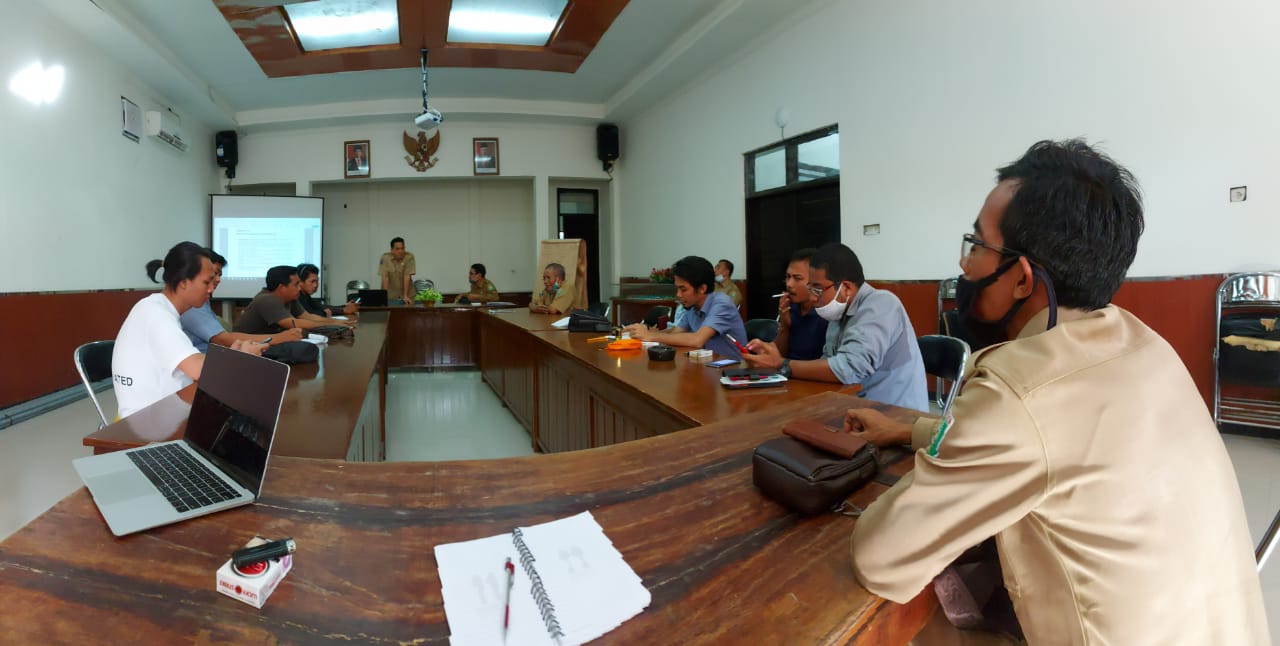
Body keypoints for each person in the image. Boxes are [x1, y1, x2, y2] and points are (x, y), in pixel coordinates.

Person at [844, 140, 1268, 644]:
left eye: (976, 245)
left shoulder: (1021, 388)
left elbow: (881, 557)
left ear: (1022, 280)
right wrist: (907, 430)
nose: (965, 266)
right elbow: (1053, 442)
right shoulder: (1143, 343)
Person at [742, 243, 928, 411]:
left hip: (897, 416)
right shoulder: (838, 313)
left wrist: (782, 364)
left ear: (846, 287)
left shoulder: (881, 304)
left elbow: (848, 369)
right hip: (855, 409)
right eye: (810, 288)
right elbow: (828, 362)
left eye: (817, 289)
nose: (813, 297)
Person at [113, 242, 263, 419]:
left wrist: (232, 356)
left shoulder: (156, 308)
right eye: (206, 282)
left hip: (166, 410)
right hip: (149, 421)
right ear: (184, 282)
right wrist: (243, 357)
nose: (211, 289)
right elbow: (197, 369)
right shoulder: (155, 314)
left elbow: (194, 364)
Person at [624, 255, 748, 359]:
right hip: (705, 366)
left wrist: (650, 336)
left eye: (683, 289)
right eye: (677, 288)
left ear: (702, 288)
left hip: (732, 370)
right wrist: (642, 332)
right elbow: (675, 333)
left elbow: (697, 340)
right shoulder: (693, 306)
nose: (678, 295)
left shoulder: (722, 304)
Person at [180, 250, 303, 352]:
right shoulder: (191, 302)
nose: (217, 280)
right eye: (213, 274)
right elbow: (222, 339)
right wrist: (279, 338)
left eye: (219, 275)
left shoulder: (201, 300)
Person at [233, 265, 350, 334]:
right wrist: (332, 325)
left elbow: (307, 317)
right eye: (296, 284)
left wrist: (335, 322)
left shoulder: (290, 298)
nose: (300, 288)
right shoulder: (267, 300)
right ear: (282, 288)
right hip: (244, 349)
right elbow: (294, 323)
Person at [774, 248, 826, 360]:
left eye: (797, 278)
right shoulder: (790, 307)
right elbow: (778, 356)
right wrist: (784, 326)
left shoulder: (826, 313)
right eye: (788, 277)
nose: (789, 284)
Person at [379, 237, 415, 305]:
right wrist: (384, 296)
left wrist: (405, 295)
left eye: (402, 248)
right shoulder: (385, 258)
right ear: (392, 250)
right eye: (397, 249)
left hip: (408, 294)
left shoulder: (409, 257)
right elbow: (385, 278)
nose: (400, 251)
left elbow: (407, 276)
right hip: (391, 295)